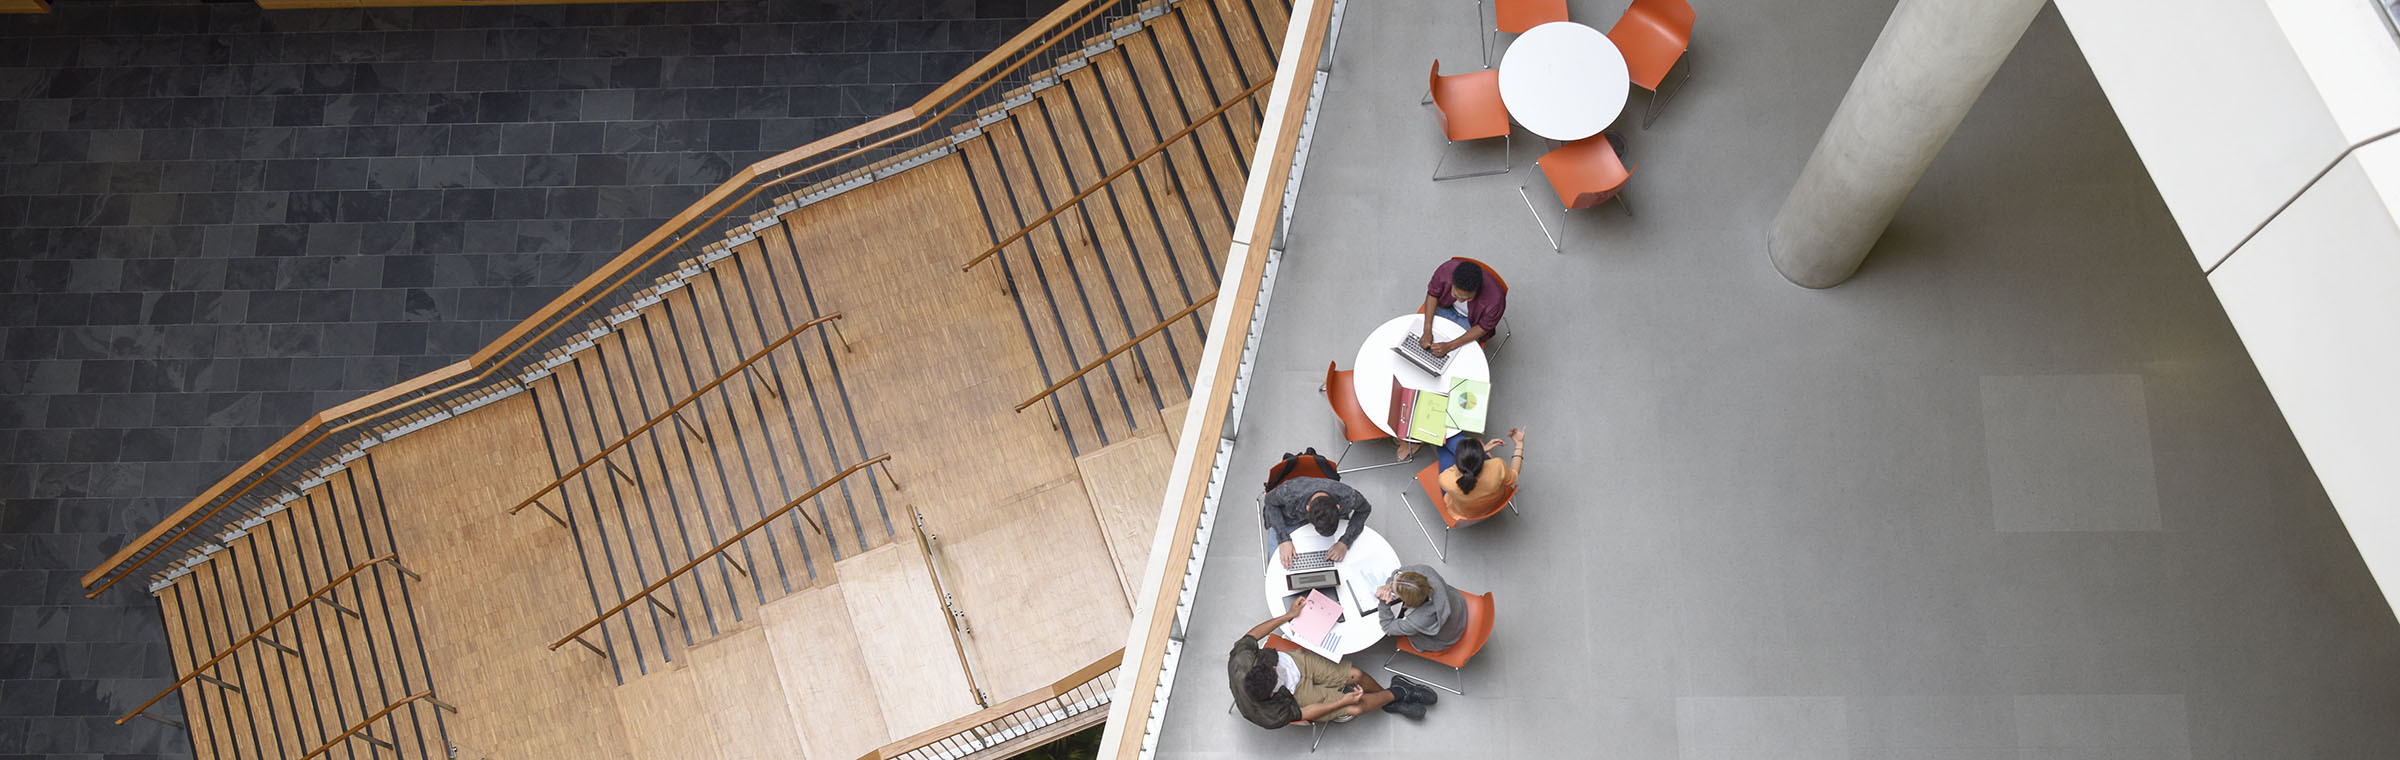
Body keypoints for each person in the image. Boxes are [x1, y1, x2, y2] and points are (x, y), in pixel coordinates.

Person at [1228, 601, 1436, 726]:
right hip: (1295, 696)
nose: (1275, 666)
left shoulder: (1241, 661)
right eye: (1275, 671)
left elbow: (1252, 635)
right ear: (1273, 693)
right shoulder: (1270, 715)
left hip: (1299, 664)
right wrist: (1342, 702)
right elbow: (1305, 713)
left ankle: (1386, 700)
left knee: (1356, 674)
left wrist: (1288, 616)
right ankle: (1398, 693)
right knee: (1355, 708)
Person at [1263, 476, 1371, 568]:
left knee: (1348, 562)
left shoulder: (1347, 496)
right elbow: (1269, 501)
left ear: (1338, 507)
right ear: (1308, 508)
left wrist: (1345, 542)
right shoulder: (1290, 492)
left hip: (1327, 516)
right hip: (1290, 519)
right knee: (1279, 563)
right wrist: (1283, 540)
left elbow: (1365, 509)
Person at [1417, 258, 1506, 359]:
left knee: (1459, 358)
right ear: (1452, 283)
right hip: (1445, 306)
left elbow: (1483, 328)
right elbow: (1433, 294)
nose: (1459, 300)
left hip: (1471, 323)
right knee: (1419, 336)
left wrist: (1449, 346)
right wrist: (1427, 329)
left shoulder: (1496, 299)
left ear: (1477, 291)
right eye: (1456, 294)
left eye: (1466, 298)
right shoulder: (1446, 270)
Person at [1374, 564, 1469, 653]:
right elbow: (1399, 571)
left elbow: (1387, 627)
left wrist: (1383, 602)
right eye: (1397, 577)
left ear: (1409, 603)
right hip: (1457, 606)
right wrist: (1390, 585)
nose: (1390, 583)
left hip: (1446, 636)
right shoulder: (1425, 571)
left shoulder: (1418, 620)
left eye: (1394, 592)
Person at [1437, 427, 1523, 520]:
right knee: (1451, 441)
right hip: (1493, 503)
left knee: (1441, 445)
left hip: (1462, 514)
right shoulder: (1497, 466)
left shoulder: (1445, 479)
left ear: (1457, 463)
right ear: (1481, 457)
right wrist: (1519, 444)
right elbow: (1514, 474)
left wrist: (1482, 451)